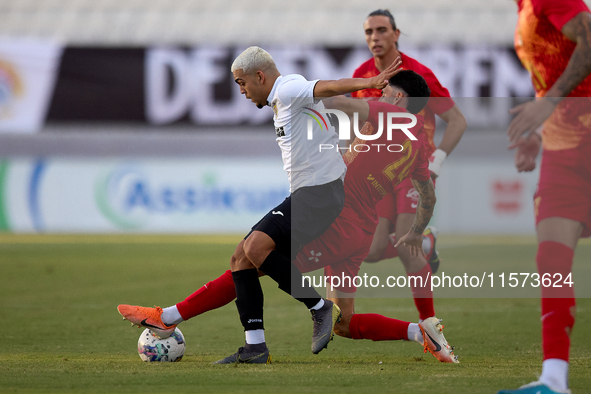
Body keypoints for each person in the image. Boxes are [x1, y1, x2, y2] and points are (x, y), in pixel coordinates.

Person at [118, 70, 458, 364]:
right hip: (359, 229)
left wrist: (306, 102)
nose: (378, 95)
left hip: (335, 220)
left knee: (250, 259)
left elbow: (341, 102)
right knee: (344, 323)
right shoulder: (419, 146)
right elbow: (427, 196)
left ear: (398, 96)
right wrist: (416, 232)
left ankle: (169, 317)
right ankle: (420, 332)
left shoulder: (385, 112)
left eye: (383, 92)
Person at [350, 9, 468, 324]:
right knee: (372, 251)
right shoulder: (361, 76)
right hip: (377, 176)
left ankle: (430, 326)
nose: (375, 37)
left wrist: (437, 161)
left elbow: (457, 120)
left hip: (410, 170)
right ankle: (427, 242)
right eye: (369, 32)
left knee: (406, 245)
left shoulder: (419, 75)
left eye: (381, 30)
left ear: (396, 34)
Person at [498, 1, 591, 393]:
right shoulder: (524, 8)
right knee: (551, 258)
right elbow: (552, 71)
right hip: (562, 149)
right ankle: (554, 379)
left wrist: (548, 105)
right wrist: (538, 131)